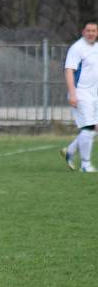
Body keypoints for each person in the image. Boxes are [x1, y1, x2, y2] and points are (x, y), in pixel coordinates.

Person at [61, 20, 98, 173]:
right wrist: (73, 94)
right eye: (88, 31)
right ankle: (85, 165)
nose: (91, 33)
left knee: (94, 128)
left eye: (94, 31)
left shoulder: (96, 47)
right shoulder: (77, 48)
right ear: (83, 32)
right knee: (88, 127)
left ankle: (70, 151)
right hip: (80, 93)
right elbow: (69, 70)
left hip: (93, 94)